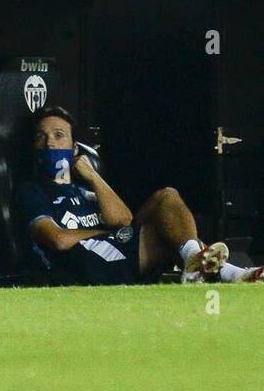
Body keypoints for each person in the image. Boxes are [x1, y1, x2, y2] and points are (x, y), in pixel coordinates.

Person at [15, 106, 261, 285]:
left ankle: (200, 263)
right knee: (169, 235)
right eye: (41, 137)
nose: (50, 143)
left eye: (59, 135)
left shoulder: (85, 189)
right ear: (34, 147)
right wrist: (105, 233)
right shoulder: (31, 191)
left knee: (167, 197)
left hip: (118, 245)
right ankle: (226, 271)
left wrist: (93, 177)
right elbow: (57, 239)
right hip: (91, 263)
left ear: (75, 148)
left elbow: (123, 219)